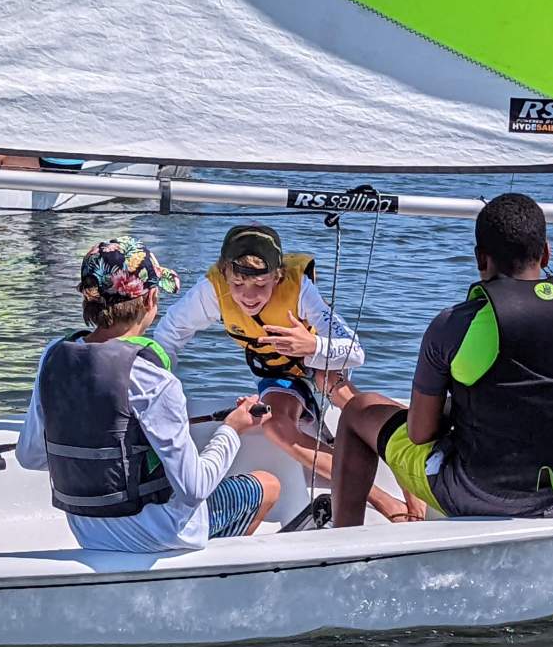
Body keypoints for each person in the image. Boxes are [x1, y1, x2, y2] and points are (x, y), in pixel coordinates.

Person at [330, 193, 553, 526]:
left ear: (480, 260)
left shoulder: (452, 326)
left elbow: (419, 434)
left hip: (478, 494)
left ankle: (342, 549)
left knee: (360, 409)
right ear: (546, 253)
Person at [15, 236, 280, 552]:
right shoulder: (152, 378)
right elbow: (194, 488)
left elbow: (29, 456)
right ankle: (206, 575)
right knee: (267, 484)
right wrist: (232, 429)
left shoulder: (53, 357)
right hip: (159, 535)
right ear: (151, 298)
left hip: (88, 531)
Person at [154, 223, 425, 522]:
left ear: (277, 276)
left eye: (261, 285)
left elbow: (355, 351)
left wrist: (312, 345)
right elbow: (170, 334)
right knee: (274, 426)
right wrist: (161, 388)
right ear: (225, 274)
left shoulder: (301, 290)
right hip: (277, 371)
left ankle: (415, 492)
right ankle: (378, 496)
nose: (248, 295)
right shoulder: (211, 290)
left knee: (342, 394)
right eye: (238, 284)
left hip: (321, 360)